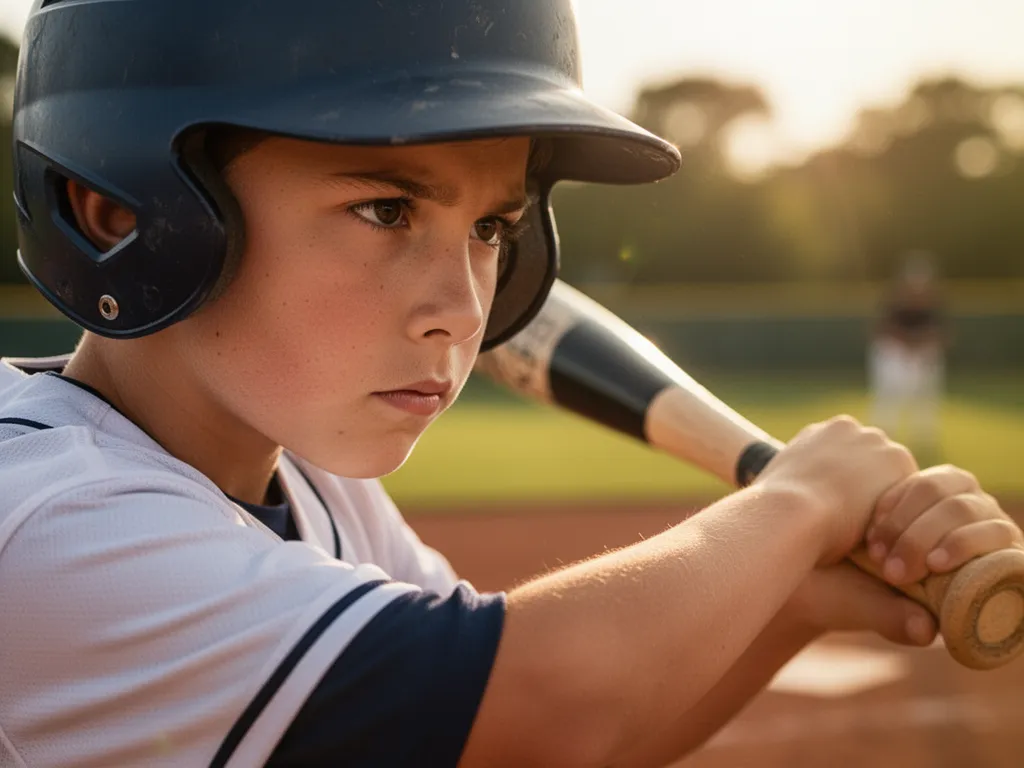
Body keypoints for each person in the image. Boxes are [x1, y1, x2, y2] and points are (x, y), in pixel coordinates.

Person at [1, 2, 1020, 766]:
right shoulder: (49, 519)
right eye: (387, 211)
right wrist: (797, 501)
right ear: (117, 210)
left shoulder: (315, 482)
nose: (461, 305)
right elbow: (541, 699)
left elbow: (531, 746)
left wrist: (795, 598)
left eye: (490, 228)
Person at [868, 251, 949, 463]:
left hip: (921, 357)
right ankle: (881, 439)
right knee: (889, 398)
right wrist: (911, 344)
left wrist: (920, 346)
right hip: (895, 356)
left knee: (925, 401)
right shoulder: (895, 304)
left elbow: (941, 334)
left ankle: (923, 442)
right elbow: (883, 331)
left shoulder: (933, 306)